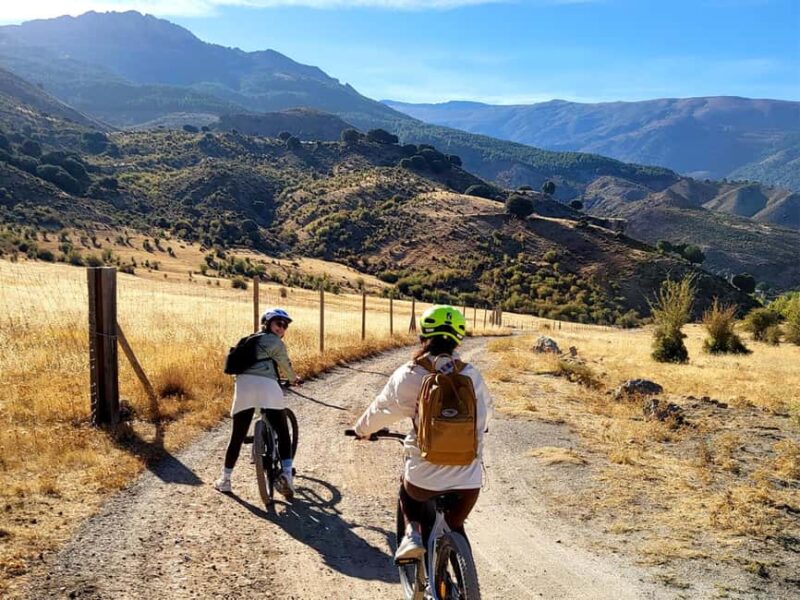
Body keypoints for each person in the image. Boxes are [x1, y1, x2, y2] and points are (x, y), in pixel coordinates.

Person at [352, 305, 492, 561]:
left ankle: (412, 534)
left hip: (423, 479)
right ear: (458, 338)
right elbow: (484, 420)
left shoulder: (410, 373)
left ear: (422, 334)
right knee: (454, 527)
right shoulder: (471, 375)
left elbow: (382, 409)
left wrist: (362, 430)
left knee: (408, 493)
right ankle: (459, 576)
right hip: (469, 482)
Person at [214, 308, 302, 498]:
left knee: (237, 436)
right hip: (267, 387)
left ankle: (225, 480)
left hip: (243, 386)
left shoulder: (247, 340)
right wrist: (294, 379)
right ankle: (287, 475)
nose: (282, 328)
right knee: (282, 431)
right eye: (279, 323)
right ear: (267, 323)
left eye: (285, 325)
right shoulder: (275, 342)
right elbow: (286, 365)